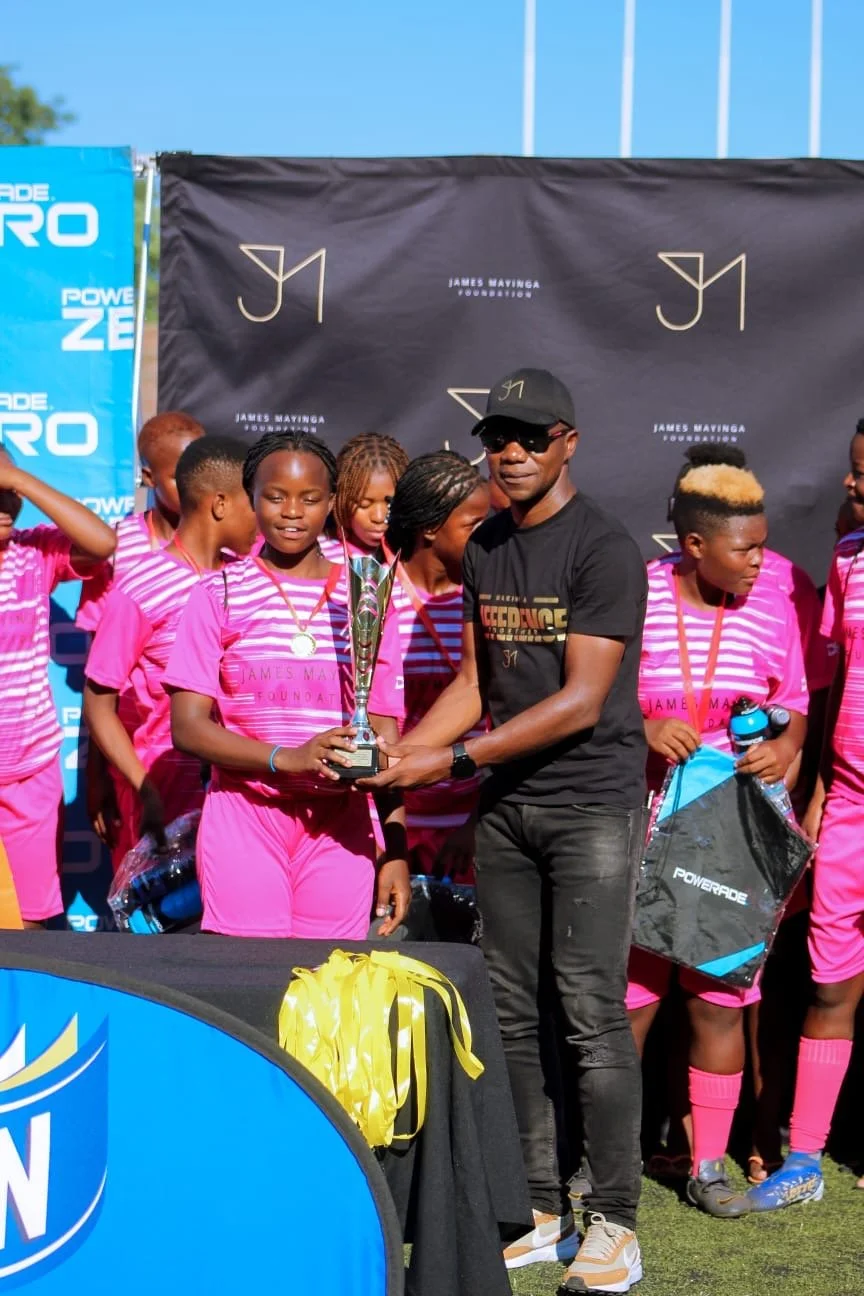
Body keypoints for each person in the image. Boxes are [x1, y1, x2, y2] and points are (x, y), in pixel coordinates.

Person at [363, 368, 647, 1294]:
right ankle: (536, 1208)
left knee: (592, 1012)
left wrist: (453, 762)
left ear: (568, 441)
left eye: (530, 436)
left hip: (589, 803)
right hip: (508, 810)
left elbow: (579, 702)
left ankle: (615, 1223)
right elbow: (481, 683)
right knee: (514, 1014)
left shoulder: (604, 549)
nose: (511, 452)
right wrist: (403, 754)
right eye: (498, 437)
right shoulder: (485, 545)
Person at [628, 457, 809, 1217]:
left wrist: (784, 752)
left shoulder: (773, 606)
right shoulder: (636, 591)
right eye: (746, 549)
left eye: (764, 546)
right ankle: (596, 1161)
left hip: (734, 837)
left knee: (718, 1001)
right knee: (625, 999)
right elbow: (594, 695)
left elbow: (792, 705)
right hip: (644, 825)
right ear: (694, 544)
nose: (762, 562)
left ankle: (707, 1166)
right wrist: (642, 726)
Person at [163, 430, 410, 940]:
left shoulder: (366, 598)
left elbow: (384, 734)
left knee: (329, 984)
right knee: (250, 982)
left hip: (340, 824)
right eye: (275, 497)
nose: (292, 512)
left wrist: (394, 847)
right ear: (251, 496)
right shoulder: (219, 593)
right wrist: (285, 757)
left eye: (310, 498)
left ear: (333, 502)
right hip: (245, 814)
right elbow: (187, 728)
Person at [747, 422, 864, 1212]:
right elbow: (829, 686)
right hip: (851, 804)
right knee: (831, 981)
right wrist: (820, 791)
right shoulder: (849, 558)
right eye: (854, 472)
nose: (852, 487)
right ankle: (805, 1160)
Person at [83, 437, 257, 870]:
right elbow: (98, 700)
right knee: (160, 928)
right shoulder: (141, 586)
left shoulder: (247, 577)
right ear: (220, 503)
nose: (264, 514)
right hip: (163, 787)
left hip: (238, 783)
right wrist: (144, 789)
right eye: (253, 500)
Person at [78, 411, 205, 848]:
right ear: (148, 476)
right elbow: (100, 678)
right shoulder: (121, 548)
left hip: (209, 755)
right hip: (139, 760)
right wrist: (96, 775)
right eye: (180, 476)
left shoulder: (233, 552)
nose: (195, 487)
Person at [0, 448, 116, 927]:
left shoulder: (34, 553)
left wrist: (23, 480)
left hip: (28, 769)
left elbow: (102, 542)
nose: (4, 505)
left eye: (9, 493)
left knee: (29, 924)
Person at [385, 451, 489, 880]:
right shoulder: (375, 599)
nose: (489, 538)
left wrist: (477, 823)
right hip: (393, 825)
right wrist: (388, 838)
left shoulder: (490, 599)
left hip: (473, 826)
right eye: (474, 526)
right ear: (430, 528)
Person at [323, 432, 408, 559]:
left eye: (391, 503)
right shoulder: (321, 554)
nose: (379, 517)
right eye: (364, 505)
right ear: (341, 501)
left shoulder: (411, 557)